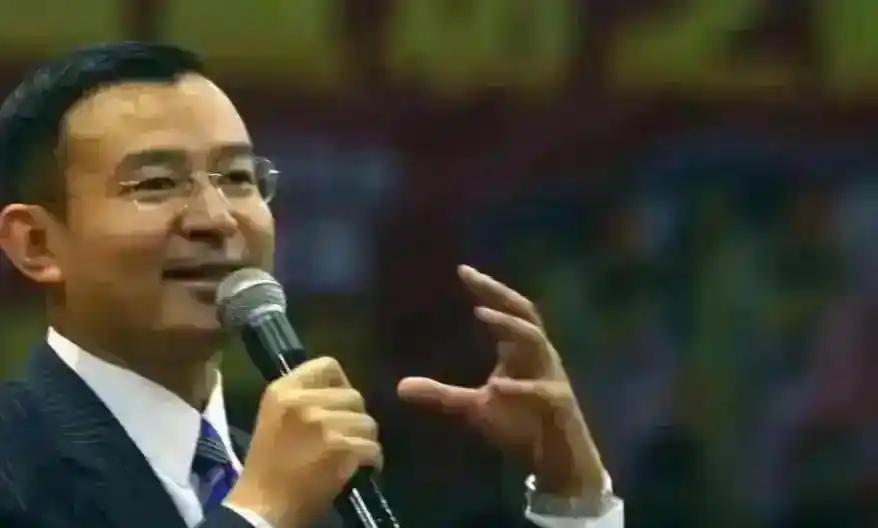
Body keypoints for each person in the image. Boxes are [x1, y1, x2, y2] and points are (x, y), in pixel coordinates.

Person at [0, 42, 624, 528]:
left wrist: (573, 495)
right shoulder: (18, 461)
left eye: (238, 178)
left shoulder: (322, 481)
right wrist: (260, 514)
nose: (217, 219)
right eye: (157, 184)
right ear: (35, 243)